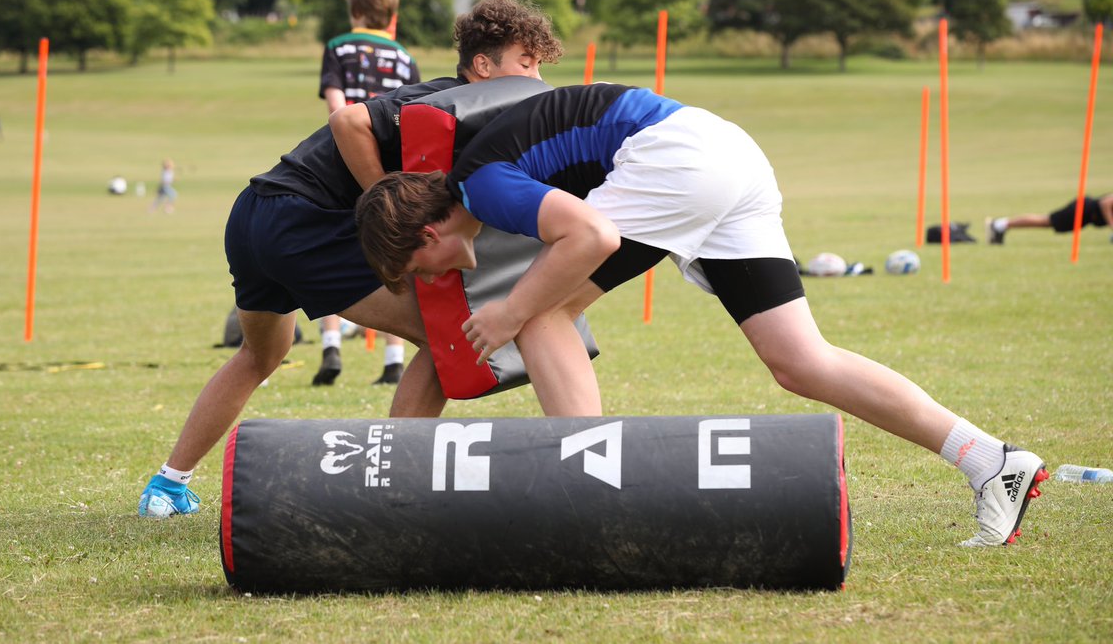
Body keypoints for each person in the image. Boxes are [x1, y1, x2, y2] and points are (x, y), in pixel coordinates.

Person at [355, 83, 1048, 548]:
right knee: (799, 361)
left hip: (678, 159)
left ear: (426, 235)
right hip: (728, 155)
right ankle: (991, 459)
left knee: (540, 317)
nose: (436, 279)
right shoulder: (482, 183)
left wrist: (510, 309)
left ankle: (592, 506)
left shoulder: (481, 182)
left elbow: (590, 236)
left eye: (422, 268)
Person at [137, 0, 564, 518]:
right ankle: (390, 489)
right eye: (526, 63)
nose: (536, 79)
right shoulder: (451, 100)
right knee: (449, 338)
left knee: (261, 355)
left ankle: (167, 487)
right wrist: (388, 205)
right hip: (302, 218)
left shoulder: (480, 115)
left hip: (253, 214)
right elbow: (348, 123)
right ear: (482, 66)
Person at [316, 0, 422, 387]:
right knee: (388, 254)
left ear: (354, 10)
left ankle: (331, 348)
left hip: (342, 161)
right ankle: (394, 357)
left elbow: (337, 108)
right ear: (390, 13)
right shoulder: (405, 57)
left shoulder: (338, 47)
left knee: (329, 249)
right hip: (389, 165)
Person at [986, 194, 1113, 244]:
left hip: (1087, 214)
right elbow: (1105, 203)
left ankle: (999, 225)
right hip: (1084, 209)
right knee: (1046, 221)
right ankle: (999, 224)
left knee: (1046, 222)